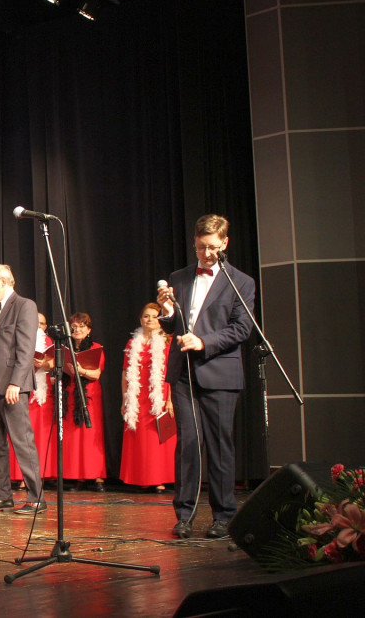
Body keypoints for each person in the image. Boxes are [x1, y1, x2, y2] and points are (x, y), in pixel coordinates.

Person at [157, 213, 254, 539]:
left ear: (225, 243)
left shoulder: (241, 282)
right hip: (183, 373)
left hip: (220, 373)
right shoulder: (180, 277)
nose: (206, 254)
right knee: (187, 444)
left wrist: (204, 341)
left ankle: (224, 516)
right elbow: (172, 324)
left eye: (212, 248)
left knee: (219, 445)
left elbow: (242, 328)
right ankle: (184, 515)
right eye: (201, 248)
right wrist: (167, 312)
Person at [0, 264, 45, 514]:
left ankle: (36, 498)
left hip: (11, 384)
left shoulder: (24, 306)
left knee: (22, 441)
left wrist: (16, 382)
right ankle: (1, 495)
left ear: (6, 282)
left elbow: (25, 349)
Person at [119, 303, 175, 491]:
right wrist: (125, 399)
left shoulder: (167, 341)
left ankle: (159, 479)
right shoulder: (132, 343)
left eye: (154, 316)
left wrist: (169, 400)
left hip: (160, 392)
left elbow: (173, 372)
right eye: (146, 316)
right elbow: (125, 372)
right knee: (139, 437)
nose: (149, 319)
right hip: (137, 395)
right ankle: (140, 479)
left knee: (156, 437)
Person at [61, 312, 107, 492]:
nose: (77, 329)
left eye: (81, 326)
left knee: (91, 435)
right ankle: (78, 477)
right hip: (71, 394)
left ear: (89, 330)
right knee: (74, 437)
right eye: (74, 326)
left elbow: (96, 374)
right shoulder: (66, 347)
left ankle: (97, 477)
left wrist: (80, 370)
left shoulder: (95, 347)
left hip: (89, 395)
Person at [30, 313, 56, 480]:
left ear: (46, 326)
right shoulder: (22, 337)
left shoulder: (48, 341)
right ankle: (22, 475)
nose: (38, 325)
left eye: (42, 323)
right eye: (35, 322)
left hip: (42, 387)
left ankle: (42, 474)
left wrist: (43, 364)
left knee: (41, 431)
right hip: (23, 385)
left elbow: (52, 363)